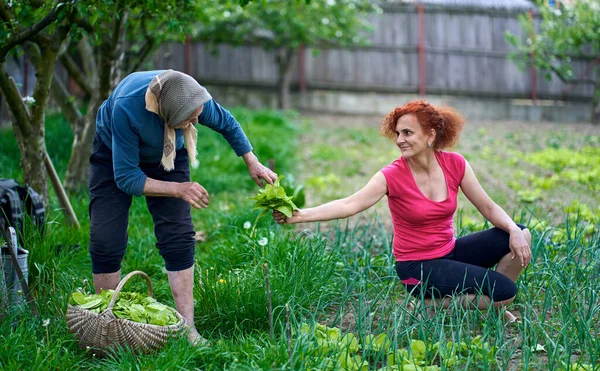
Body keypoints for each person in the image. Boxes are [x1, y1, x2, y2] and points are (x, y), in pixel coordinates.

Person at [273, 100, 531, 321]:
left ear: (430, 135)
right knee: (506, 292)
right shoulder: (391, 175)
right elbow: (349, 204)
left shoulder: (455, 164)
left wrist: (511, 229)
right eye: (397, 133)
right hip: (417, 267)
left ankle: (494, 305)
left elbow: (487, 206)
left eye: (407, 133)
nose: (399, 140)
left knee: (521, 233)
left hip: (449, 252)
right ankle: (429, 307)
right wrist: (300, 215)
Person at [90, 70, 277, 344]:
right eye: (189, 119)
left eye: (198, 115)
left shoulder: (191, 96)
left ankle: (187, 329)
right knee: (106, 237)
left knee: (178, 236)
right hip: (114, 155)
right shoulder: (126, 108)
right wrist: (179, 189)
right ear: (168, 113)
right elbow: (127, 178)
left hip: (168, 155)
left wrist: (252, 161)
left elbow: (226, 122)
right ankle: (105, 329)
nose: (196, 122)